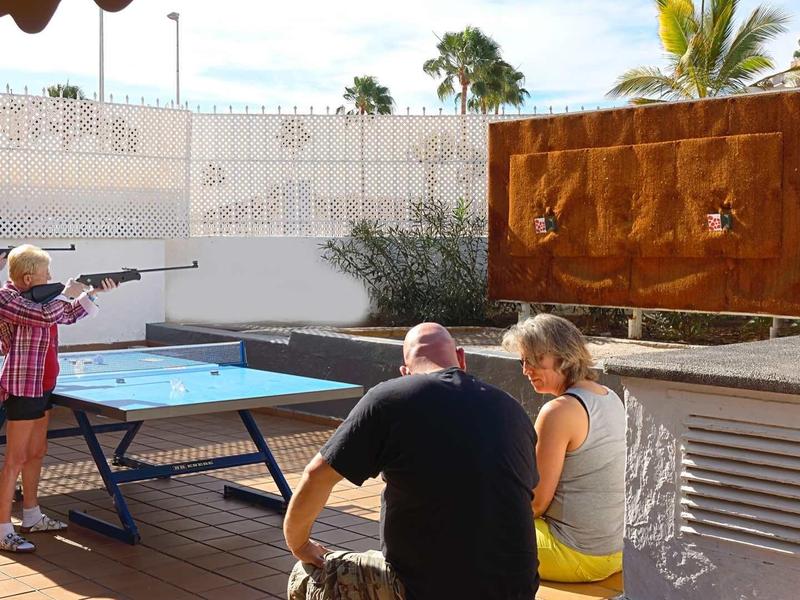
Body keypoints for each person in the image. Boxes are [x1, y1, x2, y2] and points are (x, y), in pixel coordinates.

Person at [284, 322, 539, 600]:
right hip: (517, 589)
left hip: (423, 591)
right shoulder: (512, 409)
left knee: (306, 575)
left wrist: (300, 544)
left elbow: (317, 475)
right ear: (462, 359)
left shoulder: (390, 399)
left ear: (405, 372)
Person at [0, 245, 116, 552]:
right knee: (15, 459)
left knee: (37, 452)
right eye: (45, 274)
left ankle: (32, 515)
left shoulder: (46, 300)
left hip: (44, 383)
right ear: (27, 278)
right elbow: (41, 315)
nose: (51, 278)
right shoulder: (7, 298)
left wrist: (93, 293)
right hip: (24, 385)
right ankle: (2, 529)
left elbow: (67, 313)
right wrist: (66, 292)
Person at [502, 313, 624, 583]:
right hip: (616, 552)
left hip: (575, 555)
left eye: (535, 360)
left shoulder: (558, 411)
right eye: (523, 361)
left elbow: (536, 503)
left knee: (469, 517)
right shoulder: (610, 397)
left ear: (564, 356)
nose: (526, 370)